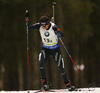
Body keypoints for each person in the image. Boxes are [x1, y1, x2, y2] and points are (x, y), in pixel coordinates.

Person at [25, 13, 75, 91]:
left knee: (61, 67)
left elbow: (62, 34)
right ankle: (44, 85)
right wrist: (27, 20)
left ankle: (68, 85)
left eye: (44, 24)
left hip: (55, 50)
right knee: (41, 64)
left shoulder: (53, 26)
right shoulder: (40, 26)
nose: (43, 26)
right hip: (45, 49)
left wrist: (58, 33)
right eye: (42, 24)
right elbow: (28, 28)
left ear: (48, 22)